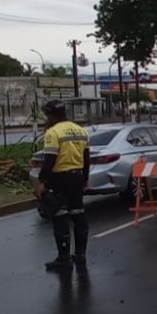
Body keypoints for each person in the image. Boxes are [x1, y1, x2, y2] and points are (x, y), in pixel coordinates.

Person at [33, 99, 91, 271]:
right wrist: (85, 179)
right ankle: (80, 255)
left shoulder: (53, 133)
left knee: (60, 216)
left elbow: (49, 159)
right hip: (78, 176)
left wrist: (41, 182)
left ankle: (63, 258)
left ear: (51, 115)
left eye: (47, 115)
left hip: (60, 178)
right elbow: (86, 158)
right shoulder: (81, 131)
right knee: (78, 214)